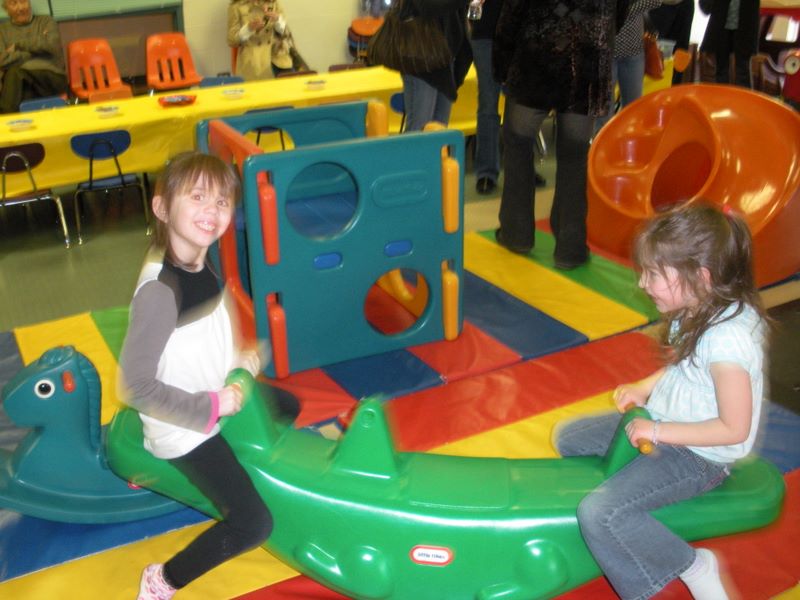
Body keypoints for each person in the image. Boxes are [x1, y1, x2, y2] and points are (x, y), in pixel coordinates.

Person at [554, 202, 768, 600]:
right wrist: (645, 387)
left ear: (700, 277)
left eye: (653, 274)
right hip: (664, 420)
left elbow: (733, 428)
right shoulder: (699, 307)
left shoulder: (727, 341)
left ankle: (692, 566)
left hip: (699, 455)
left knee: (601, 513)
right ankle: (637, 497)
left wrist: (657, 431)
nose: (643, 283)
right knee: (569, 437)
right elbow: (687, 367)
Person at [120, 152, 298, 599]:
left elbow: (204, 332)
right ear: (162, 208)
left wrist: (240, 360)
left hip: (216, 391)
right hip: (183, 426)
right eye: (197, 197)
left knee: (288, 406)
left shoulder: (200, 257)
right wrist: (213, 405)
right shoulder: (160, 291)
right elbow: (135, 386)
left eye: (221, 202)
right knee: (254, 524)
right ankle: (162, 580)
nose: (212, 211)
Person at [492, 0, 628, 269]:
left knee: (518, 142)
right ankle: (570, 246)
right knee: (575, 155)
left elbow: (512, 14)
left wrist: (502, 65)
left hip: (536, 59)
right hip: (588, 62)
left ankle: (516, 232)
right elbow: (620, 12)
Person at [399, 0, 472, 132]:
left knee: (439, 131)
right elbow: (426, 7)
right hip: (422, 57)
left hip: (446, 60)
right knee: (419, 129)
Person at [596, 0, 663, 131]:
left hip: (633, 52)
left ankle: (629, 141)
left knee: (633, 110)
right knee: (603, 114)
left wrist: (622, 9)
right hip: (605, 51)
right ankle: (605, 143)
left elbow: (655, 1)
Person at [0, 0, 68, 114]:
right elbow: (2, 59)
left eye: (23, 2)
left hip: (51, 78)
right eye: (14, 3)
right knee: (21, 88)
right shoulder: (2, 31)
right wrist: (35, 51)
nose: (20, 8)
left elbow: (51, 46)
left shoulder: (46, 22)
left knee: (15, 73)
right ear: (6, 9)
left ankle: (5, 119)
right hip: (21, 84)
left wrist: (18, 46)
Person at [227, 0, 298, 80]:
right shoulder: (237, 6)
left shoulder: (273, 2)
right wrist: (248, 29)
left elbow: (285, 32)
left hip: (279, 59)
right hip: (253, 62)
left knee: (288, 87)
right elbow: (232, 40)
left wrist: (277, 20)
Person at [701, 0, 760, 87]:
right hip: (721, 23)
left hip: (745, 25)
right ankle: (722, 95)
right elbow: (706, 7)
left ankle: (742, 95)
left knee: (743, 71)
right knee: (721, 69)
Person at [649, 0, 696, 85]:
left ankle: (674, 88)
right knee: (654, 52)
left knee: (680, 52)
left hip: (684, 5)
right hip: (657, 4)